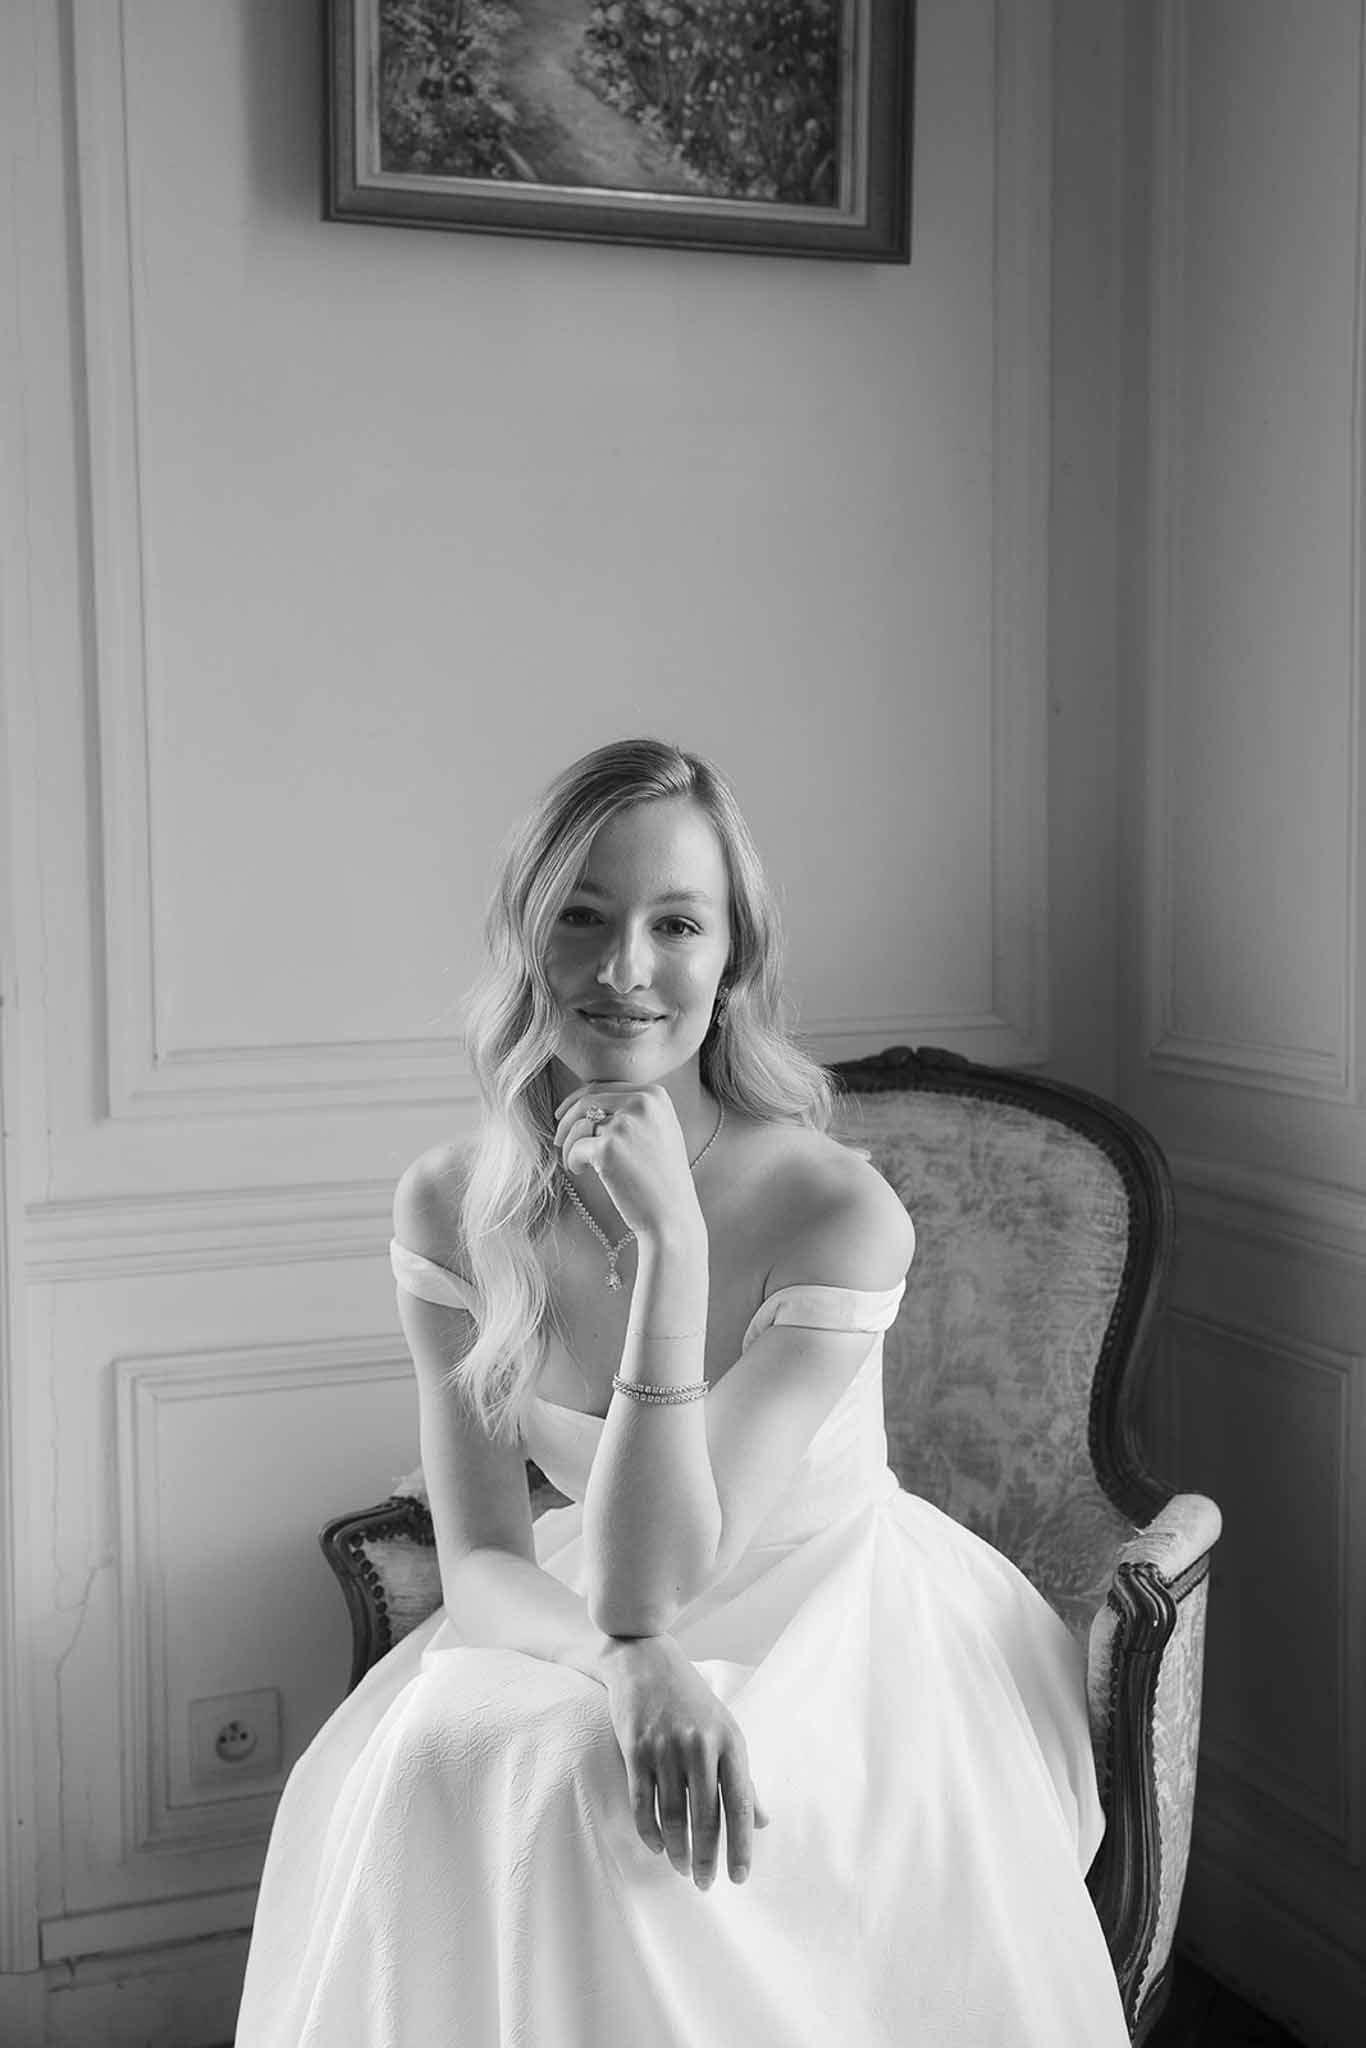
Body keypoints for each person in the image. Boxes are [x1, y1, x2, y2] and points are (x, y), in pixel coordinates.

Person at [234, 737, 1131, 2047]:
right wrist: (623, 1665)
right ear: (524, 945)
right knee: (439, 1760)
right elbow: (485, 1559)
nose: (624, 970)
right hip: (581, 1599)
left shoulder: (832, 1209)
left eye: (674, 923)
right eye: (580, 921)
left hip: (838, 1627)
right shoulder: (447, 1202)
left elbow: (667, 1570)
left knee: (600, 1803)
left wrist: (669, 1253)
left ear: (735, 957)